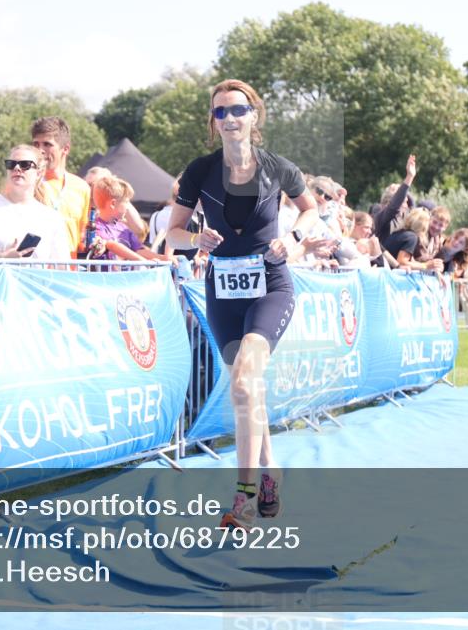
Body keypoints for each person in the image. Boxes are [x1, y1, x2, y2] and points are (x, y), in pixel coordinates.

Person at [164, 79, 318, 530]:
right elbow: (172, 234)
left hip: (270, 284)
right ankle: (271, 474)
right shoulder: (199, 171)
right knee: (246, 390)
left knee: (247, 381)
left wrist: (290, 239)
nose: (229, 118)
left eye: (237, 110)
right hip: (222, 291)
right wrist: (196, 238)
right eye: (220, 113)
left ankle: (244, 498)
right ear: (213, 124)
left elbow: (310, 211)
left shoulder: (279, 168)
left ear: (254, 115)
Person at [32, 117, 91, 258]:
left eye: (47, 144)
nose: (40, 150)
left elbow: (81, 236)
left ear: (65, 149)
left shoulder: (82, 187)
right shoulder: (28, 184)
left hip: (67, 272)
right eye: (36, 144)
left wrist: (96, 243)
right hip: (35, 268)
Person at [90, 175, 169, 263]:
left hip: (126, 276)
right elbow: (111, 245)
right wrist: (144, 261)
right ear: (113, 204)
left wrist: (163, 258)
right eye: (126, 202)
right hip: (107, 276)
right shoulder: (96, 228)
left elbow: (138, 250)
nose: (128, 207)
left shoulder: (124, 228)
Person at [372, 154, 417, 244]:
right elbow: (394, 206)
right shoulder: (381, 217)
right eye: (404, 200)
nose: (407, 202)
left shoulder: (404, 216)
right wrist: (409, 177)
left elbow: (414, 211)